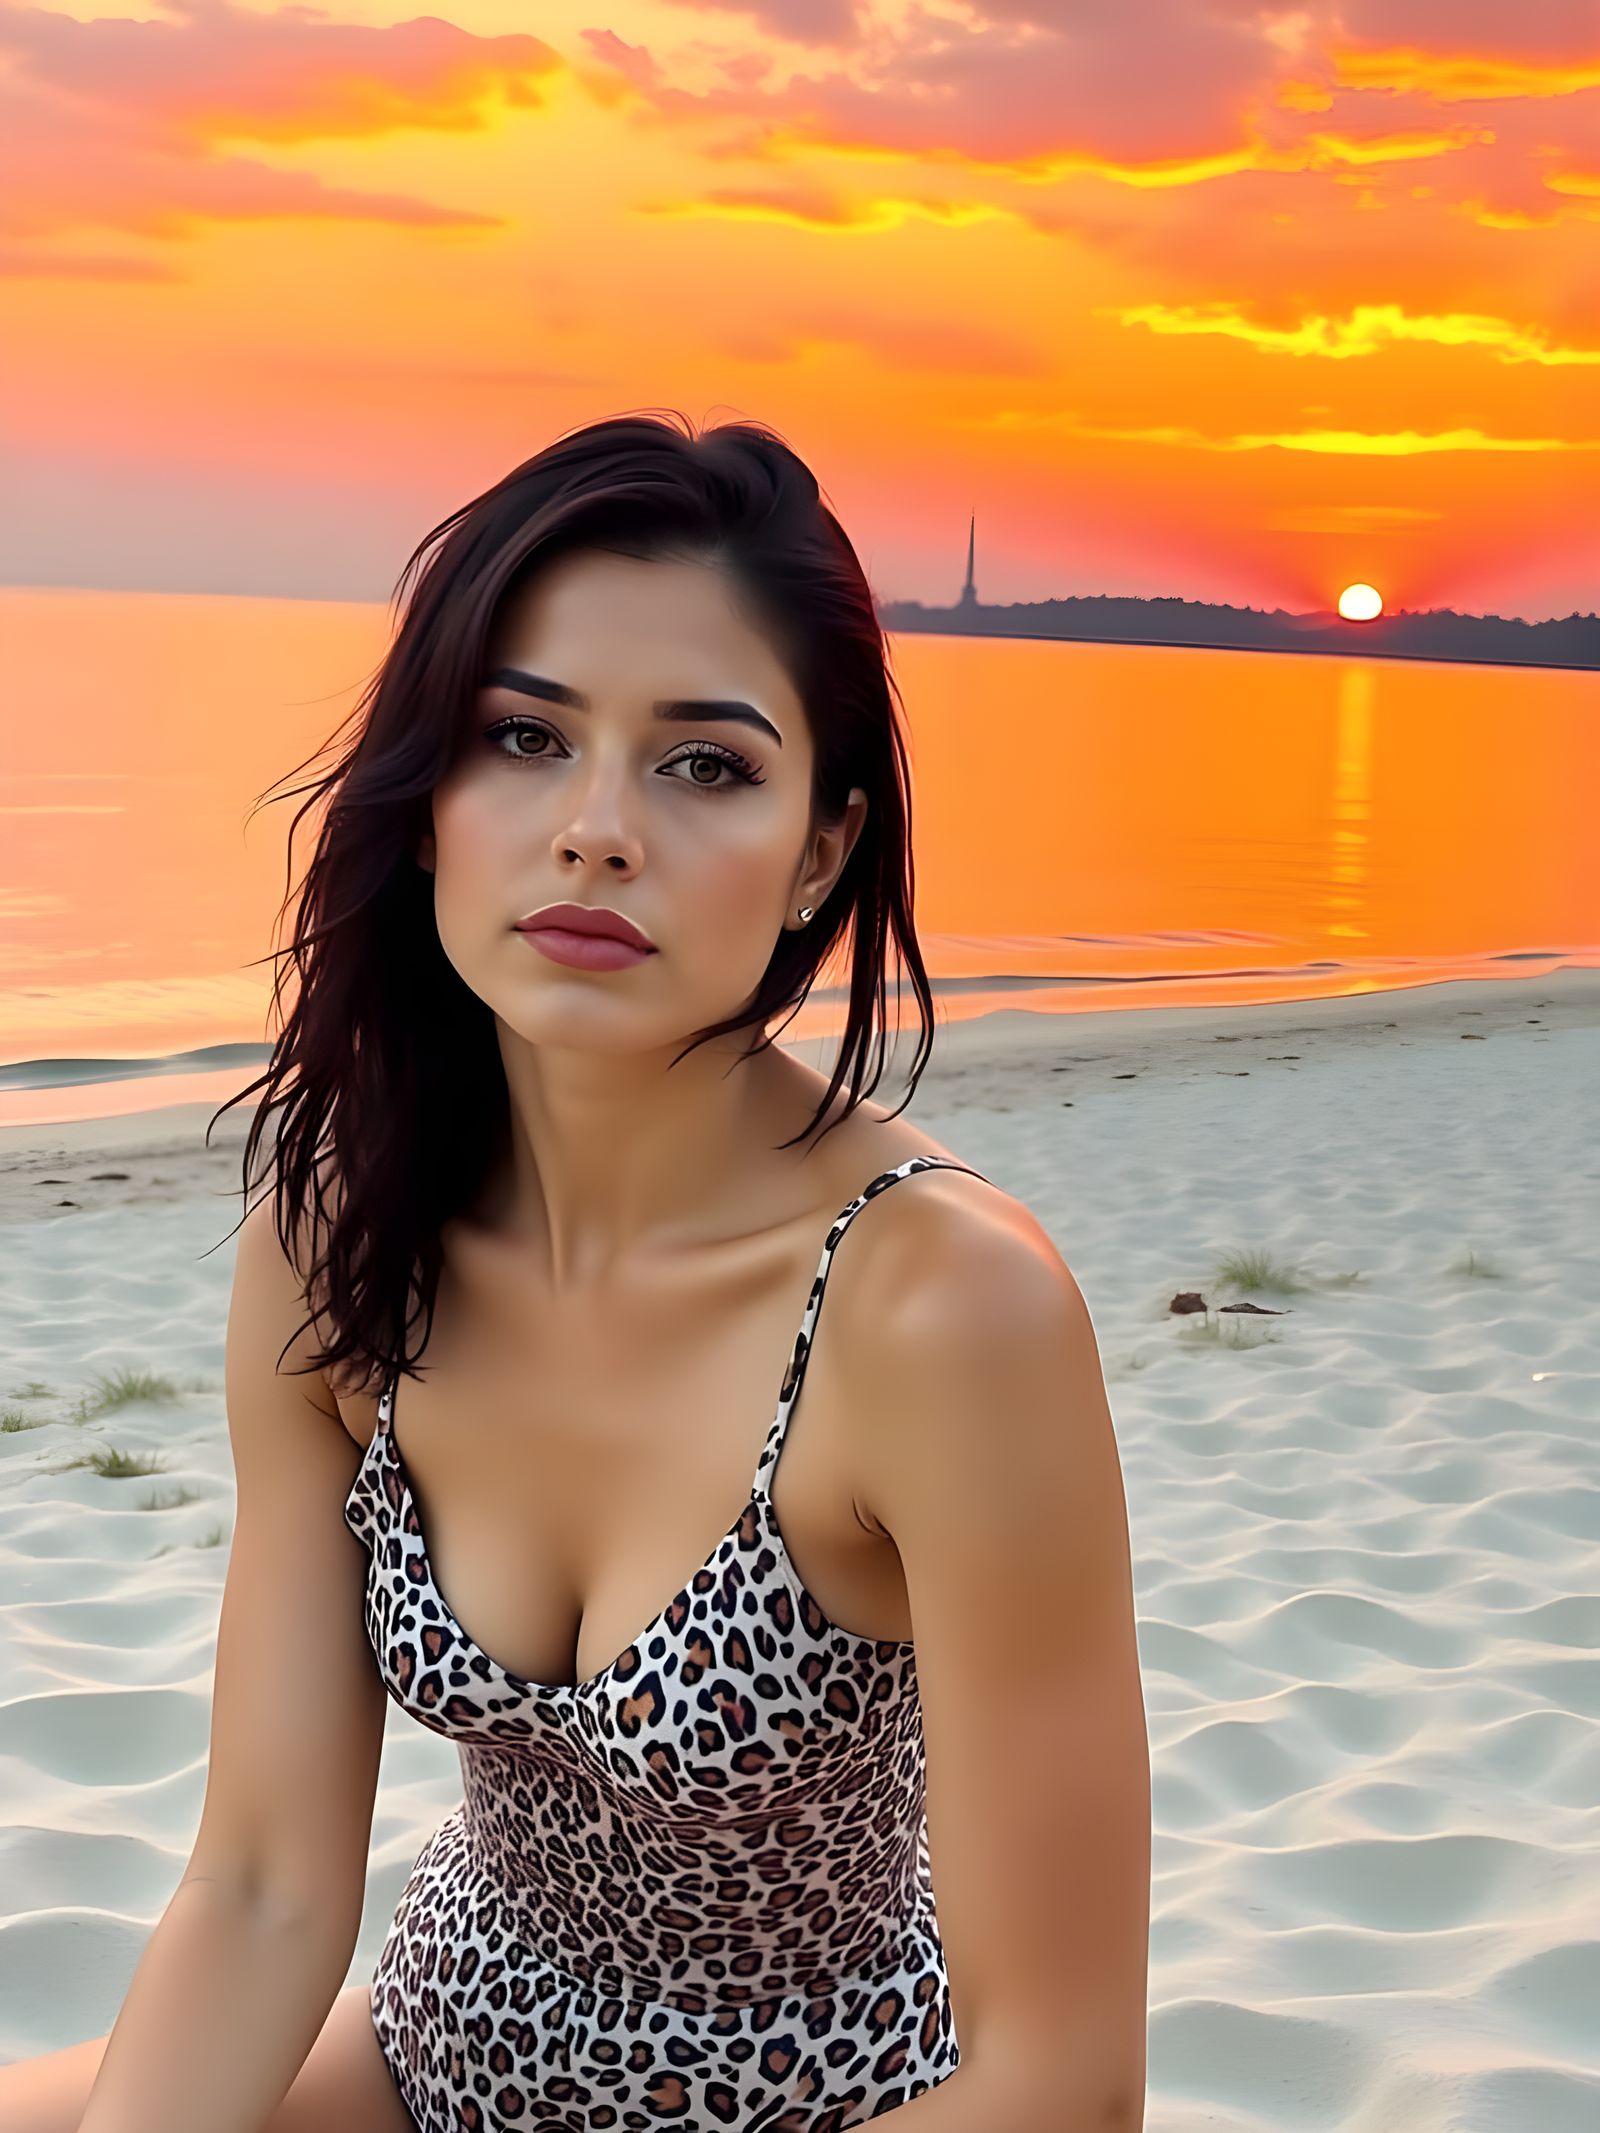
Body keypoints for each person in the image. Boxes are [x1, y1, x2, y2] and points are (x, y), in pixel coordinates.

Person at [5, 410, 1150, 2132]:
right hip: (439, 2051)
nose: (600, 829)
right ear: (428, 805)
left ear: (820, 853)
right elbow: (260, 1882)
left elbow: (1060, 2082)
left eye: (707, 765)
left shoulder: (937, 1309)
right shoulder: (340, 1238)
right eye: (525, 737)